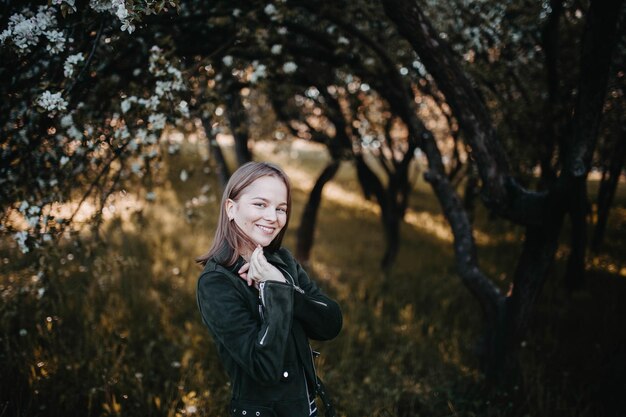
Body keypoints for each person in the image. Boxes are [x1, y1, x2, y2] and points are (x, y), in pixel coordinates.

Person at [196, 161, 342, 417]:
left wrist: (281, 284)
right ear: (231, 208)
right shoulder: (216, 283)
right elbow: (264, 367)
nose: (273, 218)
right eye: (260, 204)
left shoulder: (282, 261)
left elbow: (330, 322)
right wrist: (275, 291)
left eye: (281, 209)